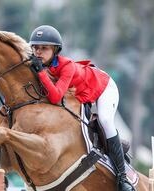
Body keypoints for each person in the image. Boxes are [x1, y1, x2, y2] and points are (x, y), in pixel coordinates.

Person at [29, 25, 134, 191]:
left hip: (103, 86)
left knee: (106, 120)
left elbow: (55, 97)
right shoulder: (37, 65)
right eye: (35, 48)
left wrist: (41, 72)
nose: (38, 52)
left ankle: (122, 178)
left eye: (44, 48)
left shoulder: (66, 66)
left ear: (55, 50)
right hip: (80, 93)